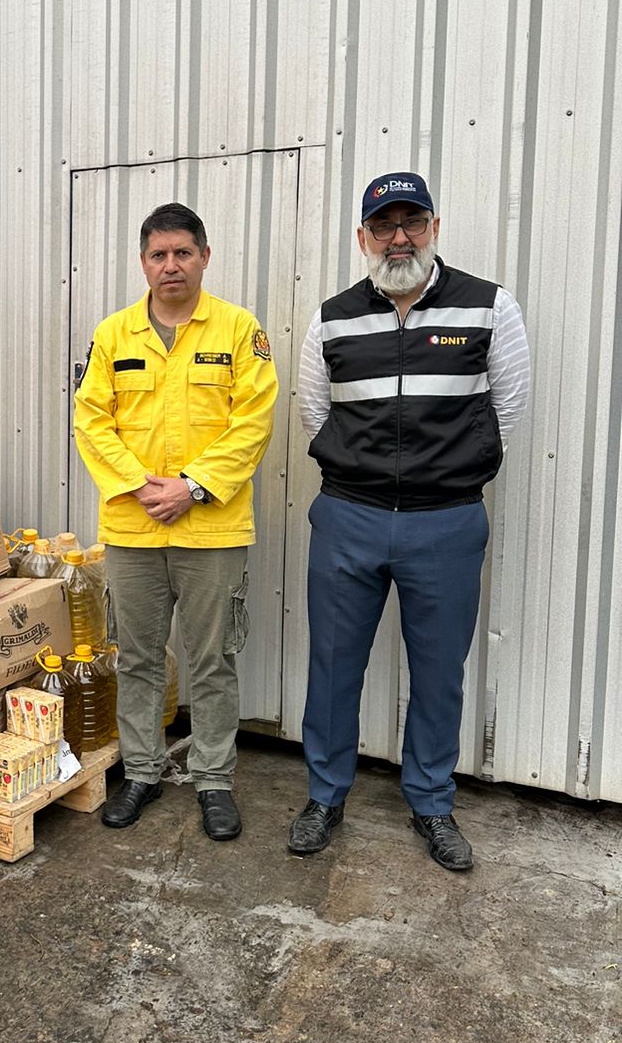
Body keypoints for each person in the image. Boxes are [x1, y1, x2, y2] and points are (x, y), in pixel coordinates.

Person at [291, 171, 530, 871]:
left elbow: (506, 410)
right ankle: (324, 795)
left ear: (433, 227)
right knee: (333, 664)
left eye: (412, 222)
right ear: (362, 236)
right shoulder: (332, 316)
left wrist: (460, 468)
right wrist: (359, 474)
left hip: (446, 522)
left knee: (438, 672)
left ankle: (431, 801)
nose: (399, 238)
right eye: (384, 225)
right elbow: (316, 410)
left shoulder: (488, 307)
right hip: (349, 517)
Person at [74, 203, 278, 841]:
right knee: (137, 658)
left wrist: (191, 488)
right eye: (158, 255)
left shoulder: (239, 331)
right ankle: (141, 771)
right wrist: (141, 486)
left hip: (211, 529)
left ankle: (214, 780)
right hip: (134, 529)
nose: (171, 266)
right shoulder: (113, 335)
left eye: (182, 253)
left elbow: (254, 422)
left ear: (204, 257)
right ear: (143, 263)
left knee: (212, 659)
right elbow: (91, 420)